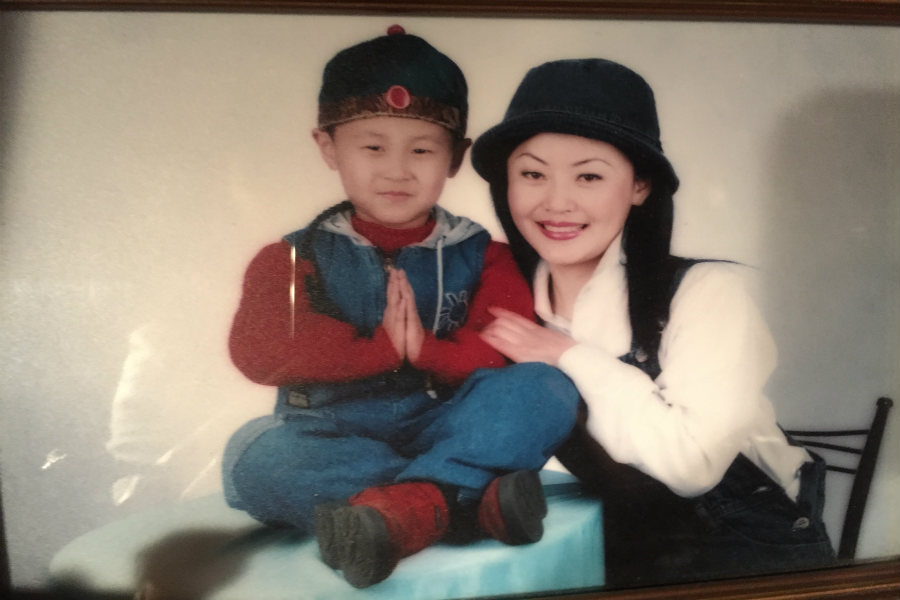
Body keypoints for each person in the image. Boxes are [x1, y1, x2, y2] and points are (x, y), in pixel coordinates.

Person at [220, 27, 579, 589]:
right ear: (327, 147)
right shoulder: (290, 258)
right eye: (372, 146)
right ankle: (461, 499)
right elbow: (260, 352)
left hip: (447, 421)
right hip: (332, 432)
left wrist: (427, 350)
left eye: (421, 149)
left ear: (456, 157)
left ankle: (403, 511)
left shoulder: (485, 254)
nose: (396, 169)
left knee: (546, 388)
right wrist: (385, 348)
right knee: (256, 454)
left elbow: (505, 347)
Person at [472, 58, 836, 587]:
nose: (555, 202)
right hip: (615, 550)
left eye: (589, 175)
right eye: (532, 173)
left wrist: (568, 356)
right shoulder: (508, 303)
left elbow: (693, 465)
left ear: (639, 186)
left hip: (748, 555)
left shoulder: (709, 293)